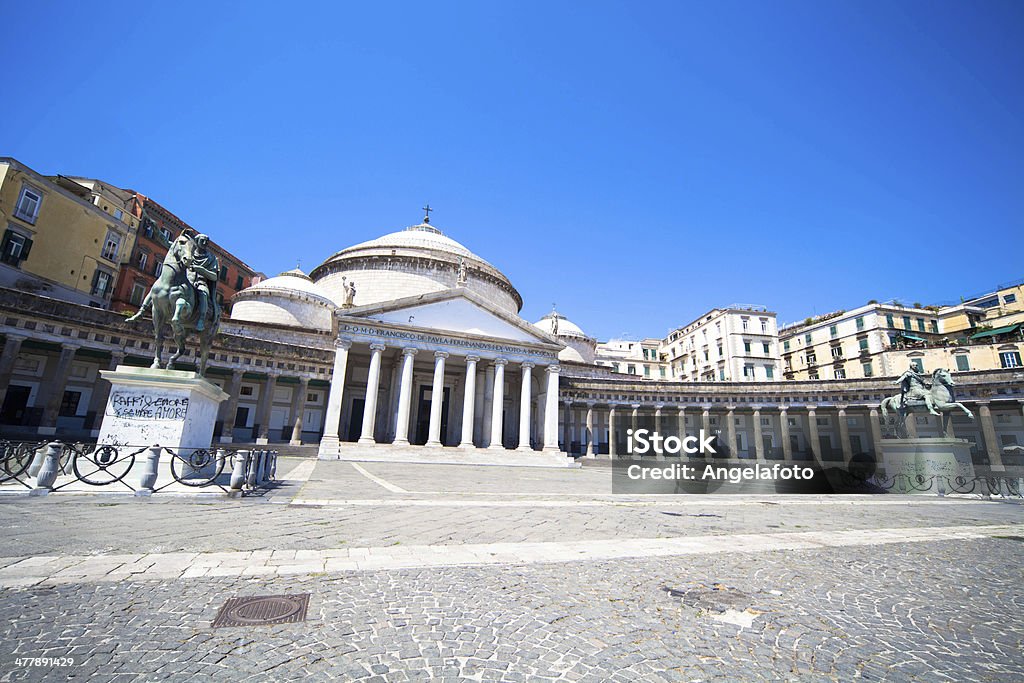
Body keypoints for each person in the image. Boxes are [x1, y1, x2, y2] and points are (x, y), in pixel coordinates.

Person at [183, 233, 219, 331]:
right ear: (196, 241)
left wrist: (201, 270)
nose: (204, 243)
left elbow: (214, 276)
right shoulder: (188, 252)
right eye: (202, 240)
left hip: (200, 282)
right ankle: (145, 308)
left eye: (206, 242)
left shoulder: (211, 258)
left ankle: (201, 320)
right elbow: (170, 246)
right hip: (186, 280)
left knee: (203, 294)